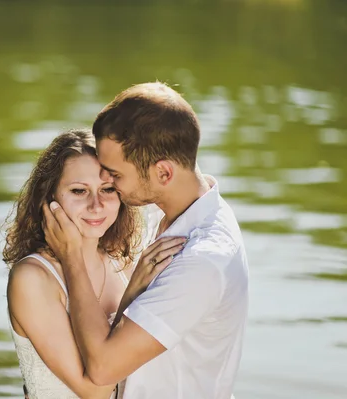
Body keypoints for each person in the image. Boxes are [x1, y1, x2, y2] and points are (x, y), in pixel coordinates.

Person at [43, 82, 249, 399]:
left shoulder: (201, 260)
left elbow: (102, 369)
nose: (106, 181)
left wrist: (71, 258)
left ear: (163, 173)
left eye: (115, 174)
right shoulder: (163, 209)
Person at [3, 128, 185, 399]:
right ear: (49, 197)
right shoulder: (32, 278)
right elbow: (95, 390)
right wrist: (131, 296)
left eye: (108, 189)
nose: (97, 205)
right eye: (79, 191)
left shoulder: (121, 263)